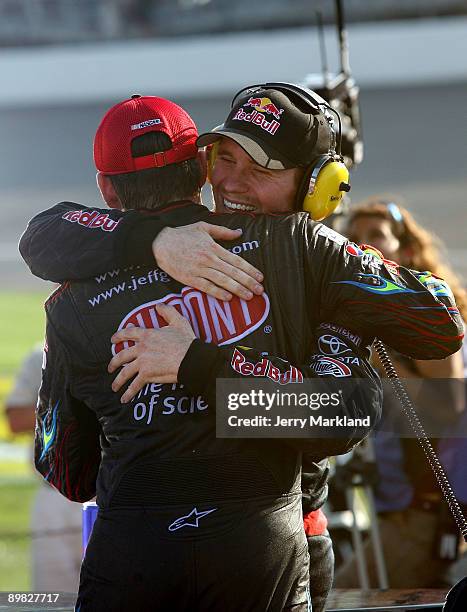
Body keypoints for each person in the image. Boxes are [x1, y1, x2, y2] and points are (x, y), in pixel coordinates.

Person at [20, 90, 462, 611]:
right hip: (271, 541)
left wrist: (192, 371)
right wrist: (158, 242)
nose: (233, 182)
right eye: (226, 159)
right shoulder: (299, 247)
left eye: (260, 169)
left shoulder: (71, 297)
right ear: (200, 169)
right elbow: (336, 420)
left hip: (136, 550)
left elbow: (67, 472)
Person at [332, 196, 467, 589]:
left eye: (376, 235)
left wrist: (381, 351)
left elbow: (449, 404)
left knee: (339, 597)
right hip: (394, 509)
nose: (363, 244)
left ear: (406, 250)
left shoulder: (426, 312)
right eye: (355, 237)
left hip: (423, 514)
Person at [5, 345, 82, 592]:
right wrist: (75, 404)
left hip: (110, 496)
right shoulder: (42, 355)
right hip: (54, 496)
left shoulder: (123, 348)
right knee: (53, 599)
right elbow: (16, 419)